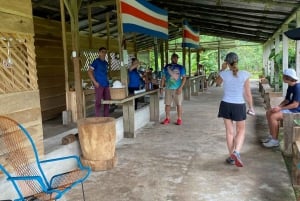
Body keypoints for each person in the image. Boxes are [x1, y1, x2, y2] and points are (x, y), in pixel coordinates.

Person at [216, 52, 254, 167]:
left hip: (226, 104)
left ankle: (231, 156)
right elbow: (248, 94)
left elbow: (217, 83)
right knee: (241, 130)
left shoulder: (224, 74)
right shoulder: (245, 74)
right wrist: (251, 107)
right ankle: (236, 152)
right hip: (239, 105)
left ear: (226, 63)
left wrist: (222, 70)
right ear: (237, 61)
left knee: (229, 131)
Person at [261, 68, 300, 148]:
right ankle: (272, 136)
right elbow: (286, 100)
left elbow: (295, 105)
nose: (282, 77)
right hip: (290, 108)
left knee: (273, 116)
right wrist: (278, 106)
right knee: (269, 112)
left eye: (283, 76)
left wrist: (280, 109)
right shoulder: (290, 86)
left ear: (288, 78)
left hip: (296, 110)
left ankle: (275, 141)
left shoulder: (297, 88)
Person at [160, 53, 186, 125]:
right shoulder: (166, 67)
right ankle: (167, 118)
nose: (175, 59)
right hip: (168, 88)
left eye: (176, 58)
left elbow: (184, 78)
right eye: (174, 58)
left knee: (179, 104)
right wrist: (161, 87)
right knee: (167, 104)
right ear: (171, 58)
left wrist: (180, 88)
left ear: (177, 59)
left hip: (177, 88)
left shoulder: (181, 67)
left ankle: (179, 119)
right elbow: (163, 78)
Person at [88, 47, 111, 117]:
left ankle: (106, 117)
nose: (104, 53)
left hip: (106, 84)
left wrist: (109, 80)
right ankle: (98, 118)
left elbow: (106, 73)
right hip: (99, 85)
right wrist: (95, 82)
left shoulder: (106, 63)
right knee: (98, 102)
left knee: (107, 101)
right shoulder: (96, 62)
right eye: (102, 52)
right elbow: (89, 72)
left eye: (105, 52)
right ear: (99, 53)